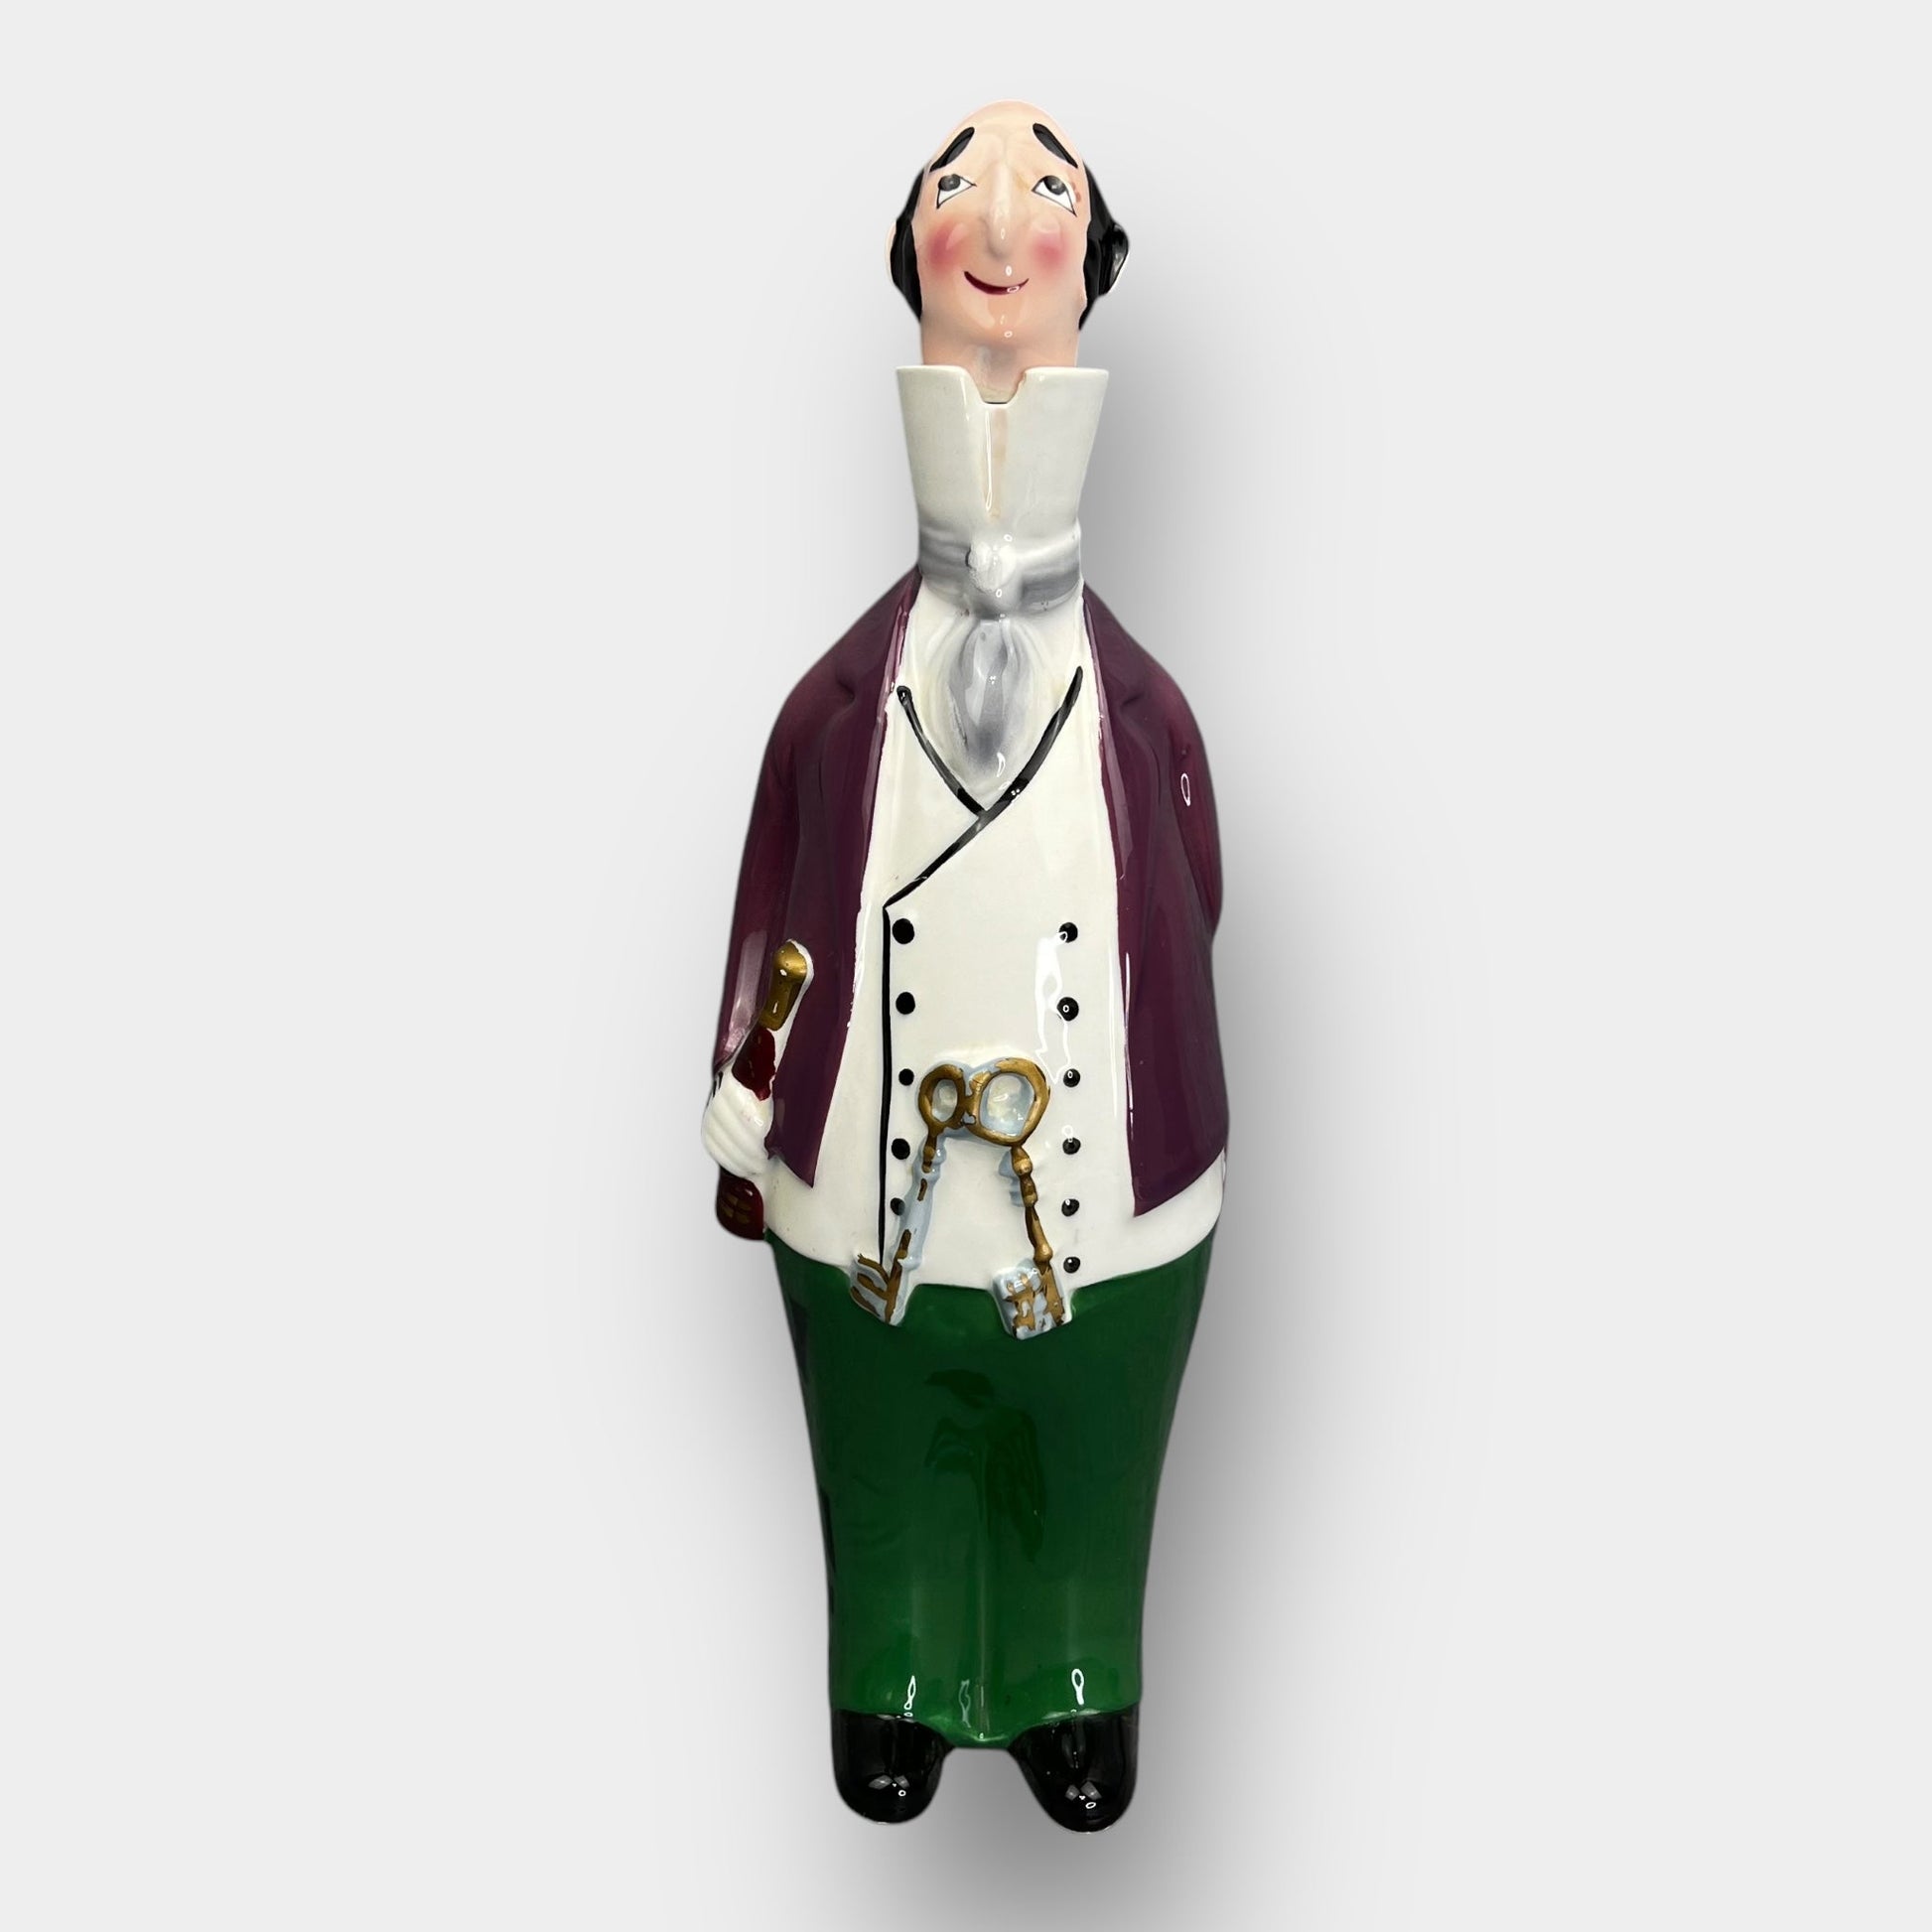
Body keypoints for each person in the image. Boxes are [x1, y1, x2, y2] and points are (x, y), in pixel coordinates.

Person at [702, 101, 1227, 1831]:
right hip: (869, 1193)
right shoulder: (833, 702)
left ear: (1089, 266)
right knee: (881, 1448)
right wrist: (744, 1081)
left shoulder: (1141, 710)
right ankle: (898, 1666)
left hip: (1105, 1196)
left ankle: (1077, 1668)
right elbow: (773, 889)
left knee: (1086, 1443)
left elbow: (1197, 894)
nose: (999, 222)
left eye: (1044, 189)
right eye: (959, 188)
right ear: (911, 256)